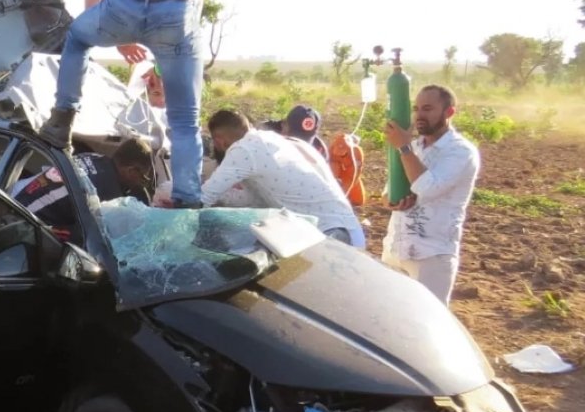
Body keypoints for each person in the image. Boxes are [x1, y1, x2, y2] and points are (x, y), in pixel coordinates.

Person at [38, 0, 206, 208]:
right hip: (179, 10)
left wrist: (121, 38)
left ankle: (62, 121)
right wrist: (170, 53)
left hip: (123, 2)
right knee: (185, 120)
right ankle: (188, 199)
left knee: (77, 38)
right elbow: (196, 8)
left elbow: (93, 0)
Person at [195, 109, 366, 247]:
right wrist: (221, 197)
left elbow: (202, 199)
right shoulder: (271, 140)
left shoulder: (244, 149)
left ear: (219, 141)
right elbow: (255, 200)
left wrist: (179, 195)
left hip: (332, 236)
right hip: (349, 230)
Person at [382, 84, 480, 304]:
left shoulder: (461, 152)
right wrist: (392, 201)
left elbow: (427, 188)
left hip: (430, 257)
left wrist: (404, 148)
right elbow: (388, 192)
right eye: (416, 109)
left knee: (425, 326)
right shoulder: (414, 147)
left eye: (427, 109)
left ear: (449, 112)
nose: (419, 116)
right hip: (395, 249)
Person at [13, 137, 155, 239]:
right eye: (143, 178)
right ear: (132, 171)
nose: (141, 184)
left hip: (15, 206)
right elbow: (101, 239)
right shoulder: (108, 193)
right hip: (25, 227)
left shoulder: (92, 157)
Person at [262, 104, 329, 160]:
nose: (300, 145)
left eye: (304, 140)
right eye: (295, 139)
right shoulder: (265, 137)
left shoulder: (319, 150)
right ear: (284, 125)